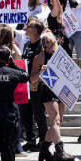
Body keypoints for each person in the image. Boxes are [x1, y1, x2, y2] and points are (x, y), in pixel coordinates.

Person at [30, 31, 75, 161]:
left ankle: (44, 150)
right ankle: (59, 150)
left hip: (61, 89)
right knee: (54, 119)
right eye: (43, 42)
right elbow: (32, 79)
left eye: (48, 42)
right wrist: (40, 73)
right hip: (47, 90)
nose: (45, 45)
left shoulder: (60, 55)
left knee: (58, 121)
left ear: (54, 42)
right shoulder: (39, 58)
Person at [19, 17, 48, 153]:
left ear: (35, 30)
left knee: (39, 113)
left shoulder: (41, 46)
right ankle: (31, 139)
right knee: (25, 113)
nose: (25, 28)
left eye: (28, 26)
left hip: (38, 86)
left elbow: (45, 66)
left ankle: (43, 141)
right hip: (26, 85)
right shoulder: (26, 44)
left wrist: (36, 82)